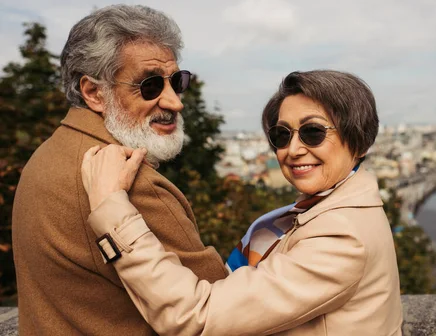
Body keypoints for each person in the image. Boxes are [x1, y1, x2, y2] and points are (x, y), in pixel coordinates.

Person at [82, 70, 403, 335]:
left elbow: (194, 315)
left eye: (312, 133)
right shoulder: (321, 212)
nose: (292, 149)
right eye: (281, 135)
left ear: (359, 140)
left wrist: (112, 210)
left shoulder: (342, 237)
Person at [12, 5, 227, 335]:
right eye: (150, 85)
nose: (175, 102)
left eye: (178, 81)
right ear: (94, 92)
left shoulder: (48, 154)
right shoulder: (135, 186)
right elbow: (222, 312)